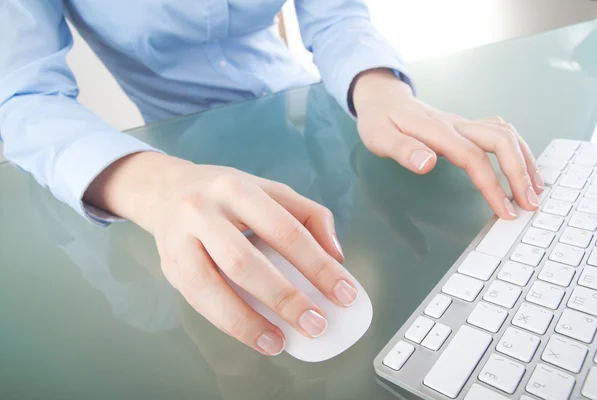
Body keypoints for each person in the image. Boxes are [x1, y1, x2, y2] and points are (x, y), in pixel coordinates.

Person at [0, 0, 544, 357]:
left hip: (315, 109)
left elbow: (335, 16)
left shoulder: (340, 214)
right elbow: (22, 97)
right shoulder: (146, 309)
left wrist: (379, 88)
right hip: (175, 151)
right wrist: (152, 184)